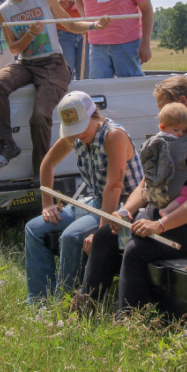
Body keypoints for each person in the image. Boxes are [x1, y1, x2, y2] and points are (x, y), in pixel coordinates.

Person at [74, 76, 187, 312]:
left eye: (162, 109)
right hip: (176, 220)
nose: (160, 118)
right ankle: (85, 308)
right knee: (105, 236)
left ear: (182, 102)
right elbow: (147, 184)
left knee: (138, 248)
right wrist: (124, 212)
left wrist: (160, 225)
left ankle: (132, 319)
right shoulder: (171, 138)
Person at [0, 0, 110, 173]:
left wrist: (93, 25)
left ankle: (40, 171)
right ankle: (6, 144)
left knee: (40, 115)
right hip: (25, 63)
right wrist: (30, 33)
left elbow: (69, 24)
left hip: (53, 64)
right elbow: (14, 49)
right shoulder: (3, 10)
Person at [24, 91, 144, 301]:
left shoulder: (113, 135)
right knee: (33, 228)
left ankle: (64, 301)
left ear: (93, 115)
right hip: (95, 202)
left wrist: (101, 234)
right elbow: (47, 164)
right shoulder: (74, 136)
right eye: (73, 129)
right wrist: (47, 203)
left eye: (80, 127)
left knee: (70, 237)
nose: (78, 134)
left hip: (122, 206)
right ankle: (38, 300)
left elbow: (114, 186)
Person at [147, 102, 187, 217]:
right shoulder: (170, 142)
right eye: (176, 130)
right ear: (163, 127)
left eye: (184, 131)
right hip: (169, 185)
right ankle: (167, 211)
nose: (180, 134)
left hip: (155, 185)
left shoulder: (154, 140)